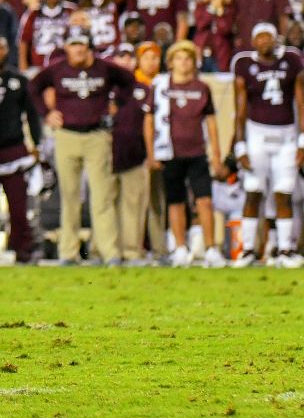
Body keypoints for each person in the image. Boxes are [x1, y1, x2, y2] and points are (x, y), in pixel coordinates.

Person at [29, 29, 136, 265]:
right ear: (66, 47)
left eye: (82, 44)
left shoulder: (104, 67)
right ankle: (68, 252)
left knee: (102, 197)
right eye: (73, 44)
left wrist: (116, 104)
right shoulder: (57, 69)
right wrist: (47, 113)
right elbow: (34, 86)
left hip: (97, 134)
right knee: (69, 196)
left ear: (89, 46)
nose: (77, 49)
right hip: (67, 135)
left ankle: (109, 252)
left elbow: (129, 81)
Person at [144, 41, 227, 268]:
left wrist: (216, 155)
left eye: (188, 58)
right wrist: (151, 154)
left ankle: (211, 249)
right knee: (176, 201)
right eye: (179, 58)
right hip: (170, 152)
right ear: (171, 63)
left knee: (205, 201)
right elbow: (149, 120)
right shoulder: (161, 87)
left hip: (197, 152)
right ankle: (180, 247)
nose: (184, 63)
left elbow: (211, 123)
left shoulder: (202, 88)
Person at [231, 24, 304, 268]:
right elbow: (239, 109)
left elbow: (301, 104)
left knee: (284, 193)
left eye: (269, 37)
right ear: (252, 41)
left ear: (276, 39)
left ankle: (285, 249)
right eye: (259, 37)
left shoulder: (292, 60)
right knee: (253, 191)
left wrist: (303, 141)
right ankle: (248, 250)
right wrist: (239, 145)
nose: (264, 41)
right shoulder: (244, 64)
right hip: (256, 133)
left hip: (286, 134)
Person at [0, 36, 41, 263]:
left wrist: (36, 144)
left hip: (14, 147)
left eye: (1, 47)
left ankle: (22, 249)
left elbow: (32, 115)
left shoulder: (19, 80)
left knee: (18, 205)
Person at [106, 44, 153, 265]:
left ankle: (132, 250)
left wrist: (150, 154)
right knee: (105, 204)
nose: (125, 61)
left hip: (135, 154)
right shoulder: (103, 88)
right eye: (120, 57)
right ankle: (104, 251)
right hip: (105, 155)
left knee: (133, 205)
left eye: (128, 57)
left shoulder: (144, 89)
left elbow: (150, 125)